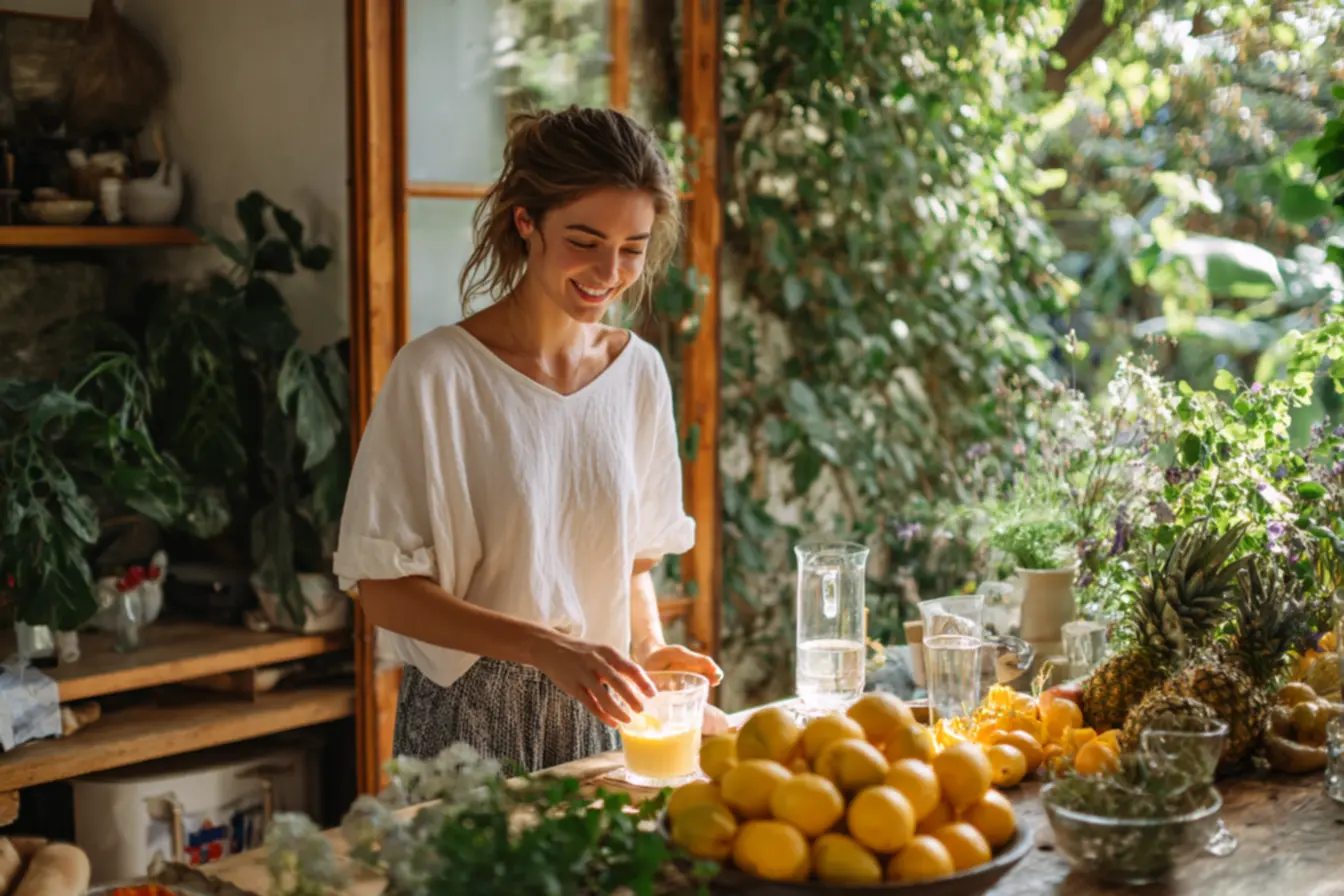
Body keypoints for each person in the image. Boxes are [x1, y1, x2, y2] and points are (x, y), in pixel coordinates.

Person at [333, 106, 727, 773]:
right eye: (585, 240)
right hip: (464, 720)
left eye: (633, 248)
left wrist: (649, 650)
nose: (610, 270)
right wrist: (547, 647)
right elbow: (382, 589)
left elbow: (628, 564)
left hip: (598, 710)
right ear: (526, 222)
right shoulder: (438, 374)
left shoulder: (638, 374)